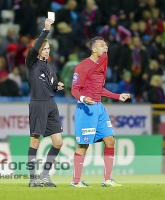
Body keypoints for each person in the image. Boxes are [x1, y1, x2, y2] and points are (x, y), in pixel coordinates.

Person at [71, 36, 130, 187]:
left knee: (110, 140)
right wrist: (83, 98)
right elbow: (74, 90)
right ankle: (76, 181)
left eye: (106, 45)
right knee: (83, 145)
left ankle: (107, 179)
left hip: (99, 108)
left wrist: (118, 96)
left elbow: (99, 89)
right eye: (101, 45)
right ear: (93, 49)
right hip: (86, 109)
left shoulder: (102, 65)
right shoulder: (82, 66)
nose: (105, 47)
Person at [25, 18, 64, 187]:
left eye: (48, 49)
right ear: (38, 50)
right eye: (44, 48)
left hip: (51, 104)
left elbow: (49, 84)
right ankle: (33, 178)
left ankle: (44, 175)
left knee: (58, 142)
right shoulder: (31, 63)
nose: (47, 51)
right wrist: (46, 30)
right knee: (35, 141)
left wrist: (56, 86)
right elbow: (34, 47)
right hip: (38, 104)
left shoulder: (50, 67)